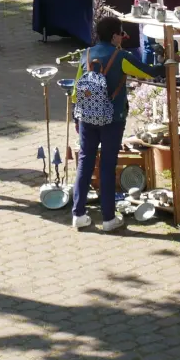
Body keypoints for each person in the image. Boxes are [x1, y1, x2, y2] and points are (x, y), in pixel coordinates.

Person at [69, 15, 141, 232]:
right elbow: (147, 71)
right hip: (112, 119)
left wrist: (77, 117)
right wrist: (167, 65)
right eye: (121, 33)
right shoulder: (122, 57)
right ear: (114, 36)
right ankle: (109, 218)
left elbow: (75, 93)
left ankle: (79, 214)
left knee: (85, 163)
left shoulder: (86, 54)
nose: (124, 36)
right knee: (108, 166)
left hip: (86, 118)